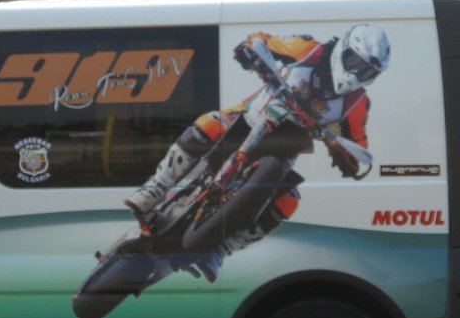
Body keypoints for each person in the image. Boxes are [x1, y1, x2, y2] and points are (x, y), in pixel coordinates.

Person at [125, 22, 390, 226]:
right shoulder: (306, 49)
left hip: (284, 151)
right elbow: (260, 40)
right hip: (250, 118)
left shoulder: (357, 103)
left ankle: (223, 247)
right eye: (354, 61)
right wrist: (252, 54)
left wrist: (341, 150)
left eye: (366, 70)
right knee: (210, 122)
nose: (357, 72)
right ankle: (156, 188)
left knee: (289, 202)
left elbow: (358, 149)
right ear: (343, 49)